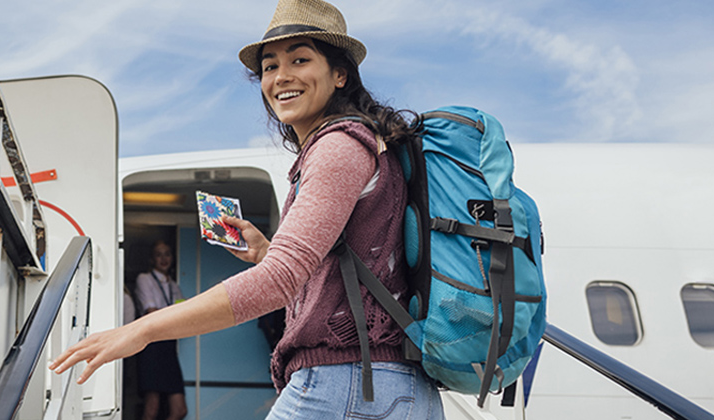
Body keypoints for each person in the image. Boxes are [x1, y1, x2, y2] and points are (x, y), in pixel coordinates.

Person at [51, 0, 444, 418]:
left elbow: (278, 282)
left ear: (340, 74)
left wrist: (142, 329)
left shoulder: (338, 147)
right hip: (388, 386)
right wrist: (265, 251)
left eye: (300, 59)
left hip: (345, 382)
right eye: (270, 66)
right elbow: (349, 267)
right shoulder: (361, 145)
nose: (281, 77)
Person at [131, 240, 187, 420]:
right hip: (152, 346)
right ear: (152, 259)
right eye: (159, 254)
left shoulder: (173, 285)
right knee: (152, 408)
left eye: (167, 254)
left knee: (180, 410)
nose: (164, 258)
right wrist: (175, 316)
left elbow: (185, 315)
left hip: (169, 348)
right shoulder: (144, 279)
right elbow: (152, 313)